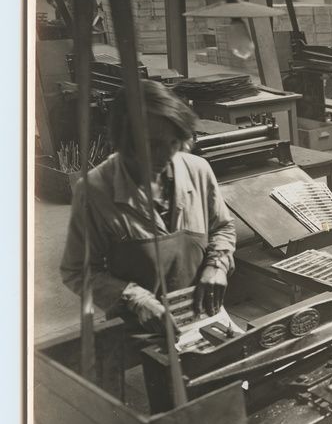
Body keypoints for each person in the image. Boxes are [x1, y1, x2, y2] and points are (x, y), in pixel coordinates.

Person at [60, 80, 236, 333]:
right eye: (151, 145)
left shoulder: (198, 169)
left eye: (174, 142)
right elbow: (77, 270)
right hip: (141, 323)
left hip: (203, 313)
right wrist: (135, 298)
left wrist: (217, 264)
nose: (165, 156)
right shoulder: (95, 190)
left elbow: (222, 227)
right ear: (123, 139)